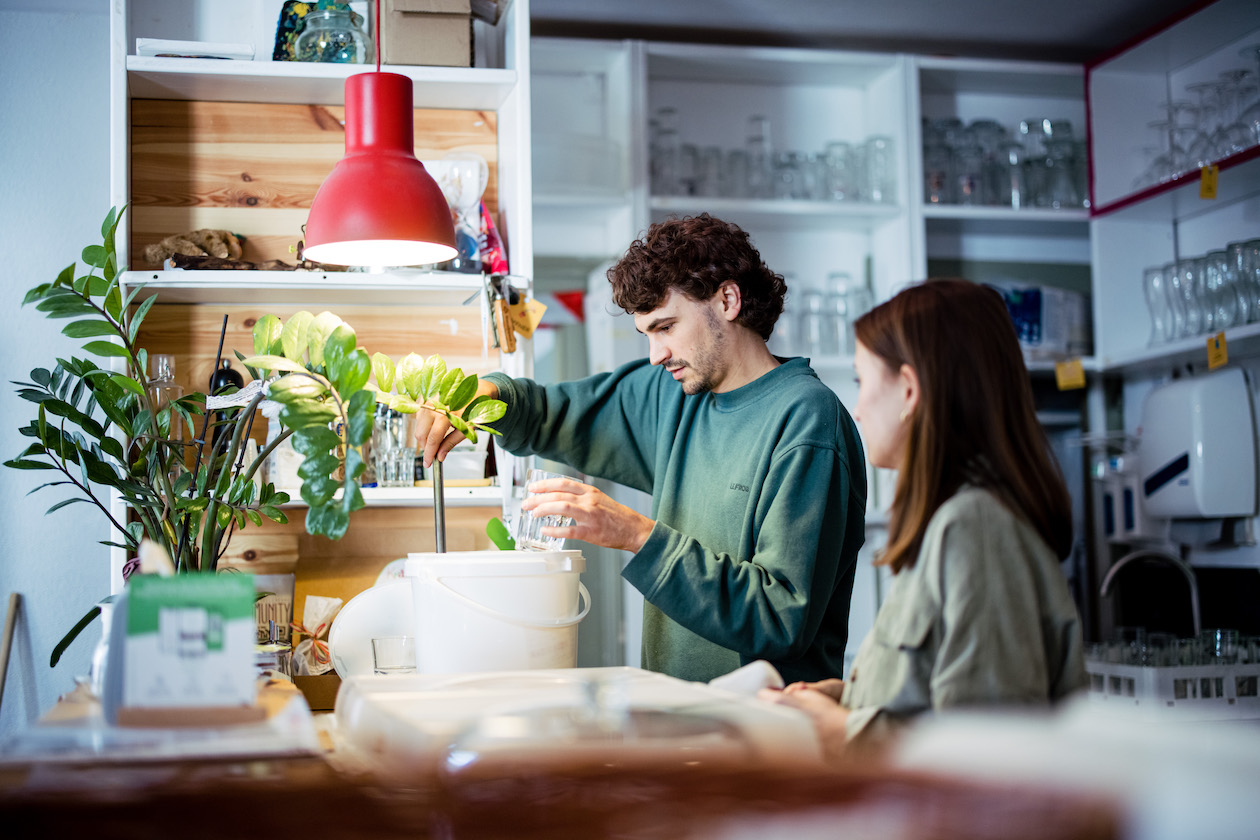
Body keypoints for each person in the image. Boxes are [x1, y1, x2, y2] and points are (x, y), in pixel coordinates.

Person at [415, 213, 867, 684]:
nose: (656, 355)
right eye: (647, 334)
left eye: (666, 327)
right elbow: (553, 413)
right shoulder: (671, 393)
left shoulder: (808, 421)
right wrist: (488, 394)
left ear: (728, 300)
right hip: (678, 718)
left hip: (767, 737)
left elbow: (779, 619)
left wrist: (637, 535)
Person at [761, 278, 1087, 758]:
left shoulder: (975, 527)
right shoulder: (957, 522)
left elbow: (990, 750)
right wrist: (850, 699)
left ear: (909, 390)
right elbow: (937, 698)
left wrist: (844, 730)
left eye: (861, 381)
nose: (857, 406)